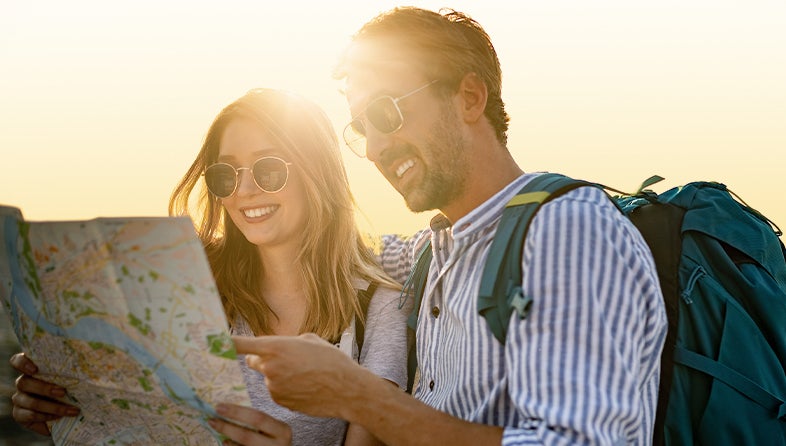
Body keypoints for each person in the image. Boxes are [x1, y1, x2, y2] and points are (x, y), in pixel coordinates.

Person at [225, 6, 668, 445]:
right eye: (362, 127)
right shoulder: (429, 253)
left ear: (470, 97)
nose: (376, 148)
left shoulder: (567, 233)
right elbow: (327, 247)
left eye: (385, 113)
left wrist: (358, 396)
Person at [8, 88, 410, 446]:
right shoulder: (184, 285)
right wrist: (62, 410)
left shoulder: (376, 309)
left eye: (268, 168)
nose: (244, 189)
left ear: (317, 172)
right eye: (225, 174)